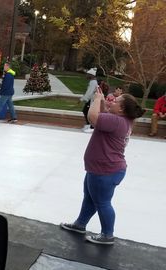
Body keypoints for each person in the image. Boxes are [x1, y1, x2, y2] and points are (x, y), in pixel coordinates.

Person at [60, 89, 145, 245]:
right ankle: (80, 224)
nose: (112, 100)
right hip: (102, 169)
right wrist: (103, 103)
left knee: (102, 203)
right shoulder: (121, 120)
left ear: (121, 109)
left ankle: (107, 234)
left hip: (105, 171)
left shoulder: (116, 121)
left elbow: (93, 118)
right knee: (90, 198)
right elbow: (103, 116)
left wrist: (97, 99)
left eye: (116, 101)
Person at [81, 68, 99, 132]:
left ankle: (91, 126)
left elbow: (89, 92)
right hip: (90, 100)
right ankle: (89, 125)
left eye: (88, 74)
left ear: (91, 75)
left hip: (92, 100)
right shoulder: (92, 82)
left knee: (86, 111)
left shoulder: (93, 82)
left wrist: (83, 99)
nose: (86, 75)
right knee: (86, 111)